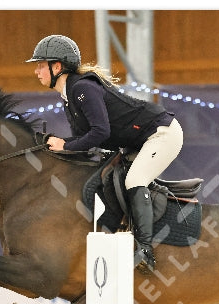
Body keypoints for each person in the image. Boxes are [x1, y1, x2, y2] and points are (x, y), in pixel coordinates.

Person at [27, 34, 183, 274]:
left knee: (134, 180)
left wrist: (65, 146)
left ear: (56, 66)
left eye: (40, 65)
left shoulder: (82, 88)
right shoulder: (69, 96)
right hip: (139, 141)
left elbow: (99, 132)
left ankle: (145, 251)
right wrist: (55, 144)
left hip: (162, 134)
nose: (36, 71)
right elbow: (85, 140)